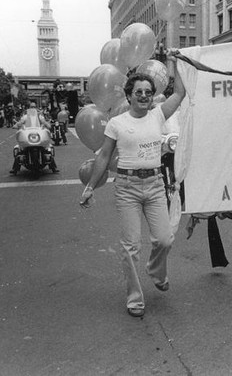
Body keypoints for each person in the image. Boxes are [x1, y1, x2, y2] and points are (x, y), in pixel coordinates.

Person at [79, 55, 186, 318]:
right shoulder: (117, 123)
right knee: (130, 246)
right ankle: (135, 297)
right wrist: (90, 186)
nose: (144, 96)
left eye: (148, 92)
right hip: (126, 187)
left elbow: (181, 92)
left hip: (154, 185)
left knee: (164, 239)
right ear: (129, 95)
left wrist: (180, 61)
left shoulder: (159, 115)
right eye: (138, 92)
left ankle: (156, 271)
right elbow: (103, 156)